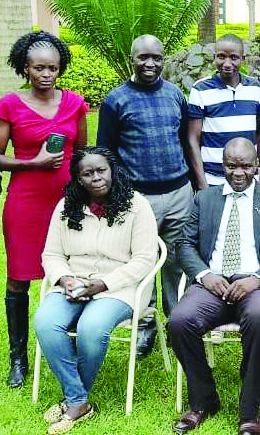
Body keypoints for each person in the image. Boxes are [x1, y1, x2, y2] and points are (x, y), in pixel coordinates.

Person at [169, 138, 260, 435]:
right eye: (231, 166)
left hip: (256, 284)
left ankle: (249, 409)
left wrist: (258, 278)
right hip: (212, 284)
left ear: (257, 165)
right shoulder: (205, 198)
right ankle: (204, 400)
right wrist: (204, 274)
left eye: (245, 165)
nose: (238, 172)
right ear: (222, 165)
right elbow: (185, 244)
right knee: (178, 321)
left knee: (258, 317)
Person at [34, 147, 158, 435]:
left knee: (92, 327)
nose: (96, 178)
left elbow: (144, 259)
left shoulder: (137, 206)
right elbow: (51, 254)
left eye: (101, 170)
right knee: (45, 322)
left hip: (121, 287)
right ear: (78, 179)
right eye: (87, 173)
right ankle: (79, 400)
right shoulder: (66, 207)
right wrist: (64, 279)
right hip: (74, 283)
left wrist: (103, 284)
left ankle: (72, 401)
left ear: (112, 170)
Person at [0, 31, 88, 388]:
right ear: (25, 68)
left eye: (53, 68)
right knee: (18, 279)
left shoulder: (75, 103)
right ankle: (19, 359)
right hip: (26, 202)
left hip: (67, 203)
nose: (47, 74)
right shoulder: (9, 106)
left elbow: (81, 156)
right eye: (39, 68)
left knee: (73, 273)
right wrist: (35, 162)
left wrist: (85, 198)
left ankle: (73, 345)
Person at [97, 34, 193, 350]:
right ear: (132, 59)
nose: (150, 64)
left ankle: (178, 320)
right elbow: (106, 152)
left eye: (156, 58)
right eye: (143, 58)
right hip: (138, 197)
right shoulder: (116, 100)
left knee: (178, 259)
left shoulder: (175, 95)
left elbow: (183, 142)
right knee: (142, 260)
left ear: (163, 59)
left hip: (179, 192)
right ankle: (145, 321)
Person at [186, 34, 260, 189]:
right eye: (221, 56)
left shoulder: (254, 87)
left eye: (234, 57)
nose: (227, 63)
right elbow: (192, 140)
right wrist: (202, 181)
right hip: (214, 180)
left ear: (243, 58)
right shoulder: (201, 89)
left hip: (249, 179)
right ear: (214, 57)